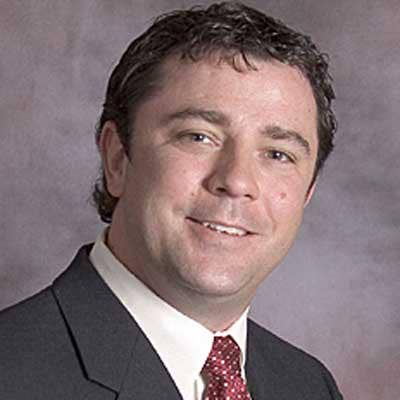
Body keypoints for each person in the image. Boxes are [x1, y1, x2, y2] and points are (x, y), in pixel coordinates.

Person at [0, 2, 343, 399]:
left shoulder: (308, 385)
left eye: (278, 154)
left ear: (307, 191)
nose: (236, 181)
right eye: (198, 137)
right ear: (117, 158)